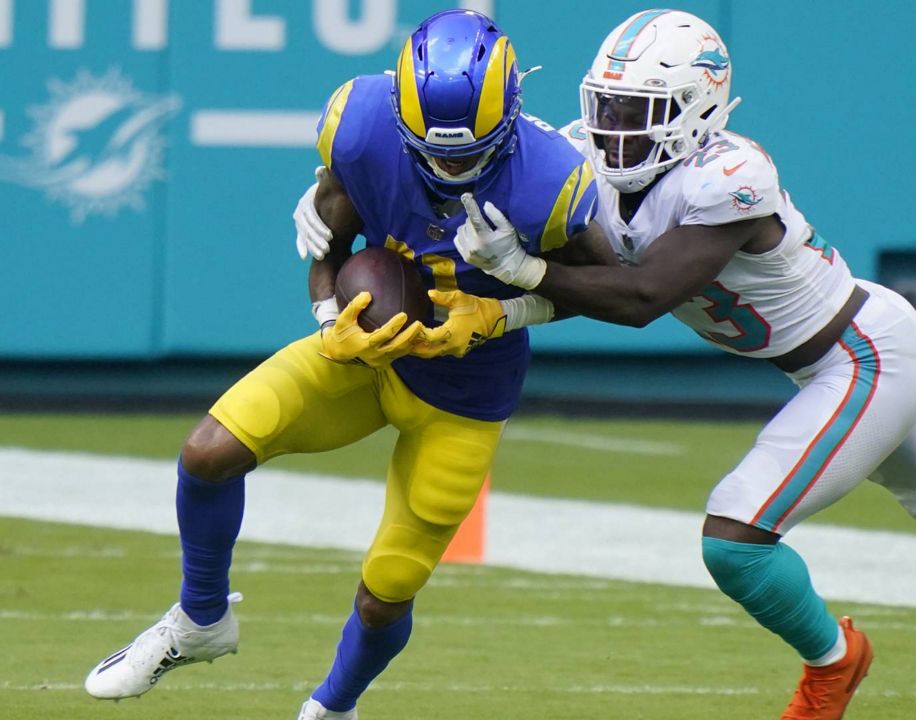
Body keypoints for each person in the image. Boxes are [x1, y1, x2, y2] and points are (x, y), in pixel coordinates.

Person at [430, 9, 916, 720]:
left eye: (639, 114)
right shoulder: (579, 159)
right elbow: (585, 276)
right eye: (608, 107)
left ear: (699, 111)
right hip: (835, 359)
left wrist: (527, 277)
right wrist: (481, 289)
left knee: (736, 538)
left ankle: (833, 661)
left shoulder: (731, 176)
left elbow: (640, 296)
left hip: (860, 356)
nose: (614, 132)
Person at [84, 10, 608, 719]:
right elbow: (331, 246)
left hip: (466, 391)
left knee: (386, 588)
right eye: (434, 152)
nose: (450, 168)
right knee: (208, 453)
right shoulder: (361, 127)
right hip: (364, 360)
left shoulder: (551, 181)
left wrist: (506, 305)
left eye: (469, 154)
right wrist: (331, 318)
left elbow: (608, 292)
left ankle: (333, 707)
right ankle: (201, 621)